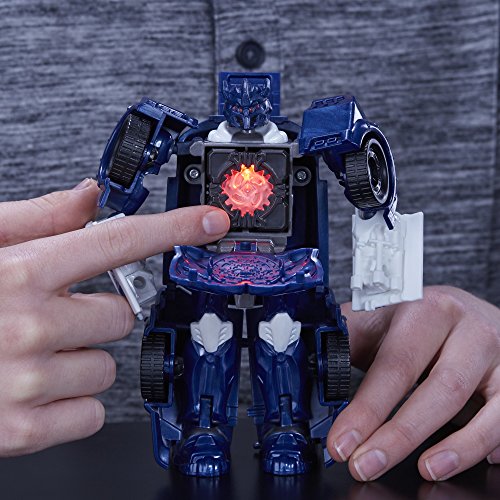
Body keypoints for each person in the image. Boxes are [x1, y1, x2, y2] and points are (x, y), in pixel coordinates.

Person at [0, 0, 498, 483]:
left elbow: (370, 190)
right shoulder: (192, 139)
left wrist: (385, 250)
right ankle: (202, 426)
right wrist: (113, 228)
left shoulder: (301, 139)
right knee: (207, 340)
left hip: (286, 271)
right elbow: (120, 185)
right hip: (199, 275)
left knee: (282, 341)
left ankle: (286, 426)